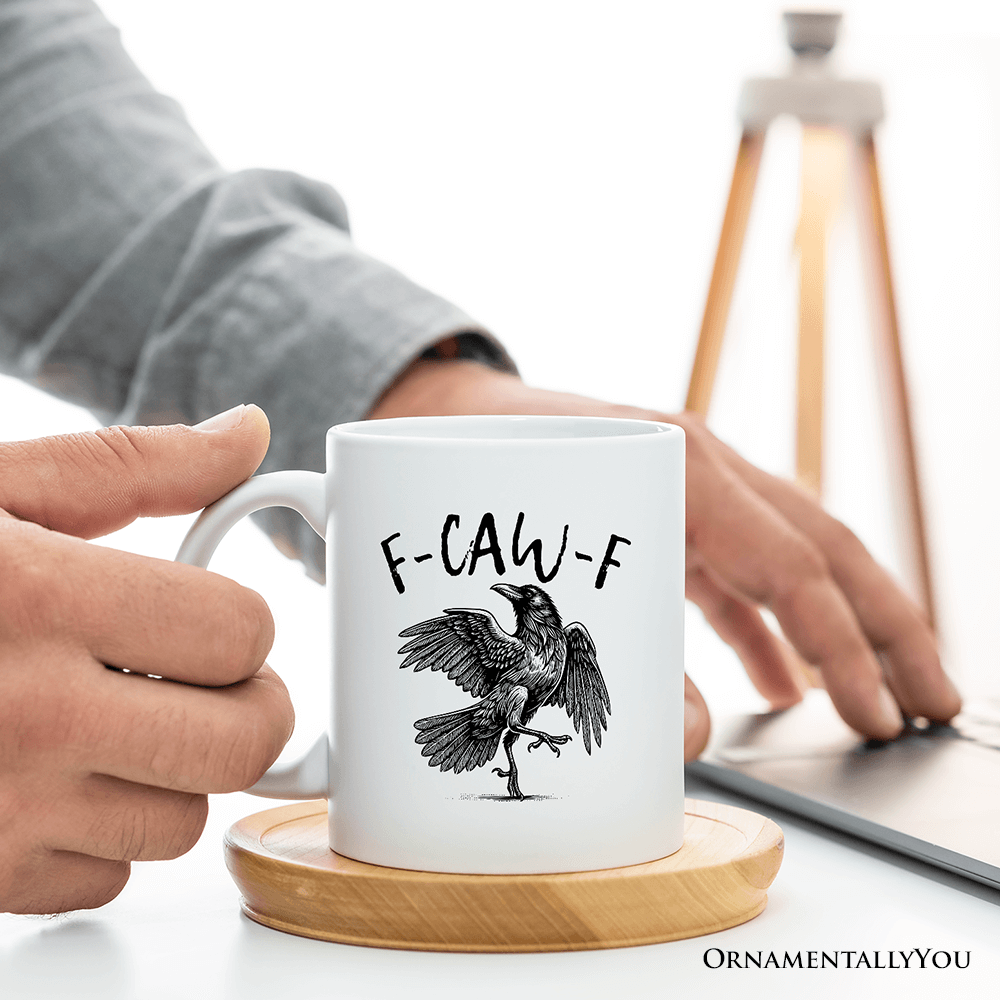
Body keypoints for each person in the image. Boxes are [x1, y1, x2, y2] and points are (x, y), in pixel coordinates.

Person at [0, 0, 959, 915]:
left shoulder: (557, 643)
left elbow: (44, 136)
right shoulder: (494, 637)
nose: (521, 601)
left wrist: (426, 404)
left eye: (529, 600)